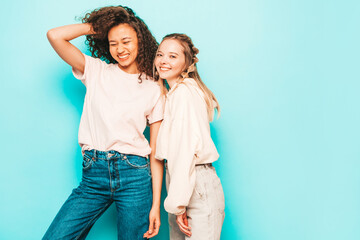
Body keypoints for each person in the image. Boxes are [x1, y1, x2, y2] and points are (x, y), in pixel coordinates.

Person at [43, 6, 164, 240]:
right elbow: (54, 35)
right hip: (94, 173)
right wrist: (99, 26)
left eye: (126, 41)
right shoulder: (96, 71)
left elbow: (157, 152)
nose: (120, 49)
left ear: (140, 39)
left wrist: (156, 204)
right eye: (113, 43)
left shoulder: (154, 88)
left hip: (135, 176)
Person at [154, 33, 225, 239]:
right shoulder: (176, 94)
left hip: (194, 185)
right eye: (160, 54)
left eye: (173, 56)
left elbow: (184, 151)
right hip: (183, 184)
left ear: (187, 63)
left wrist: (178, 203)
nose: (164, 61)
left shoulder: (184, 94)